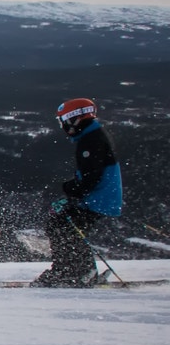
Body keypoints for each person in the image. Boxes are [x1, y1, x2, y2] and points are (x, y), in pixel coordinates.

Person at [33, 98, 124, 287]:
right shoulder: (92, 136)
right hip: (99, 197)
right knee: (65, 226)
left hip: (98, 199)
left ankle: (72, 272)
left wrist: (70, 190)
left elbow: (91, 178)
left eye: (63, 121)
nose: (63, 126)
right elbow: (91, 175)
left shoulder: (91, 141)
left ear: (74, 118)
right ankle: (79, 270)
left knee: (61, 226)